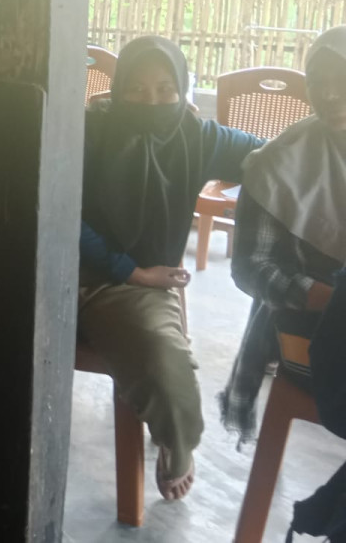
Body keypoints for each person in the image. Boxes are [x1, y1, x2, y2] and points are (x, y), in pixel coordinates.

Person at [78, 35, 265, 502]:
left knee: (165, 362)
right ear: (119, 90)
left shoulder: (194, 136)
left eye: (165, 89)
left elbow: (270, 159)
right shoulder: (89, 131)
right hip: (57, 268)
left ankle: (175, 442)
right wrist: (129, 269)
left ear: (182, 90)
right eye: (136, 90)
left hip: (129, 289)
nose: (151, 101)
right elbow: (60, 212)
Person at [220, 26, 346, 446]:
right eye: (318, 82)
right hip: (306, 324)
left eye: (341, 79)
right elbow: (252, 267)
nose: (329, 94)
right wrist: (330, 300)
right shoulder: (277, 165)